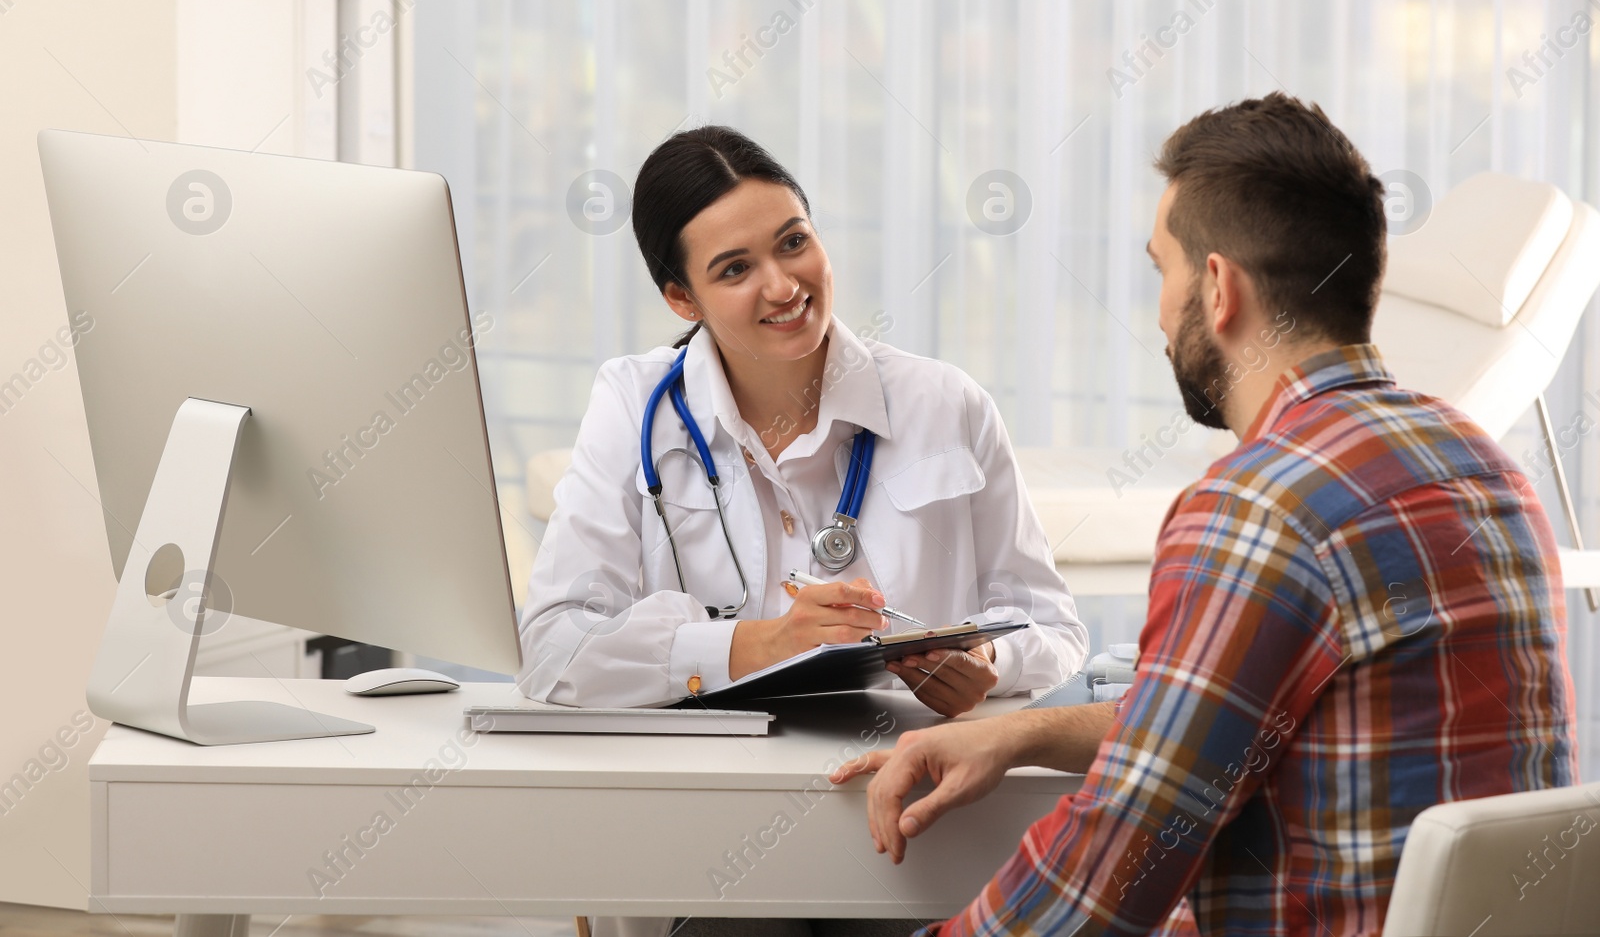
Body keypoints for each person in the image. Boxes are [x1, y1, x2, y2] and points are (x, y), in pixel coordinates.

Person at [833, 92, 1579, 936]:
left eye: (1162, 269)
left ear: (1217, 286)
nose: (1158, 309)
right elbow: (1221, 717)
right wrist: (1024, 733)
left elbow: (1105, 881)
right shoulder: (1487, 468)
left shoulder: (1260, 506)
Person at [517, 124, 1088, 720]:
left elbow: (1054, 629)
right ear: (683, 300)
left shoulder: (947, 403)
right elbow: (554, 648)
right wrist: (768, 643)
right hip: (707, 787)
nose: (784, 286)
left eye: (793, 242)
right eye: (735, 270)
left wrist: (994, 661)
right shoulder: (635, 404)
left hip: (907, 772)